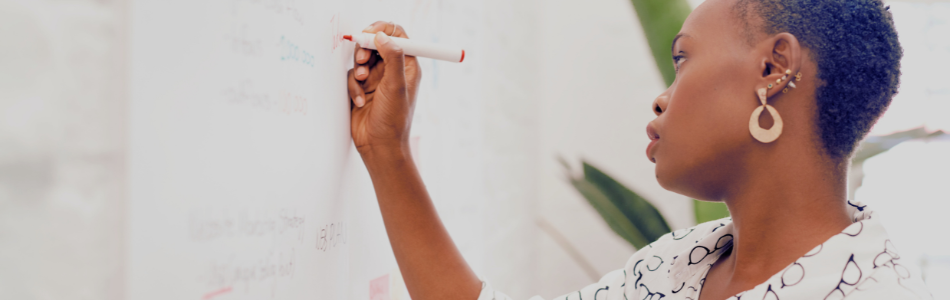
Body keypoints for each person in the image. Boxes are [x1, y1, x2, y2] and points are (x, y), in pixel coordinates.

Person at [344, 0, 934, 299]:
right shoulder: (683, 261)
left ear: (773, 69)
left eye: (683, 59)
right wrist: (386, 150)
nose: (661, 99)